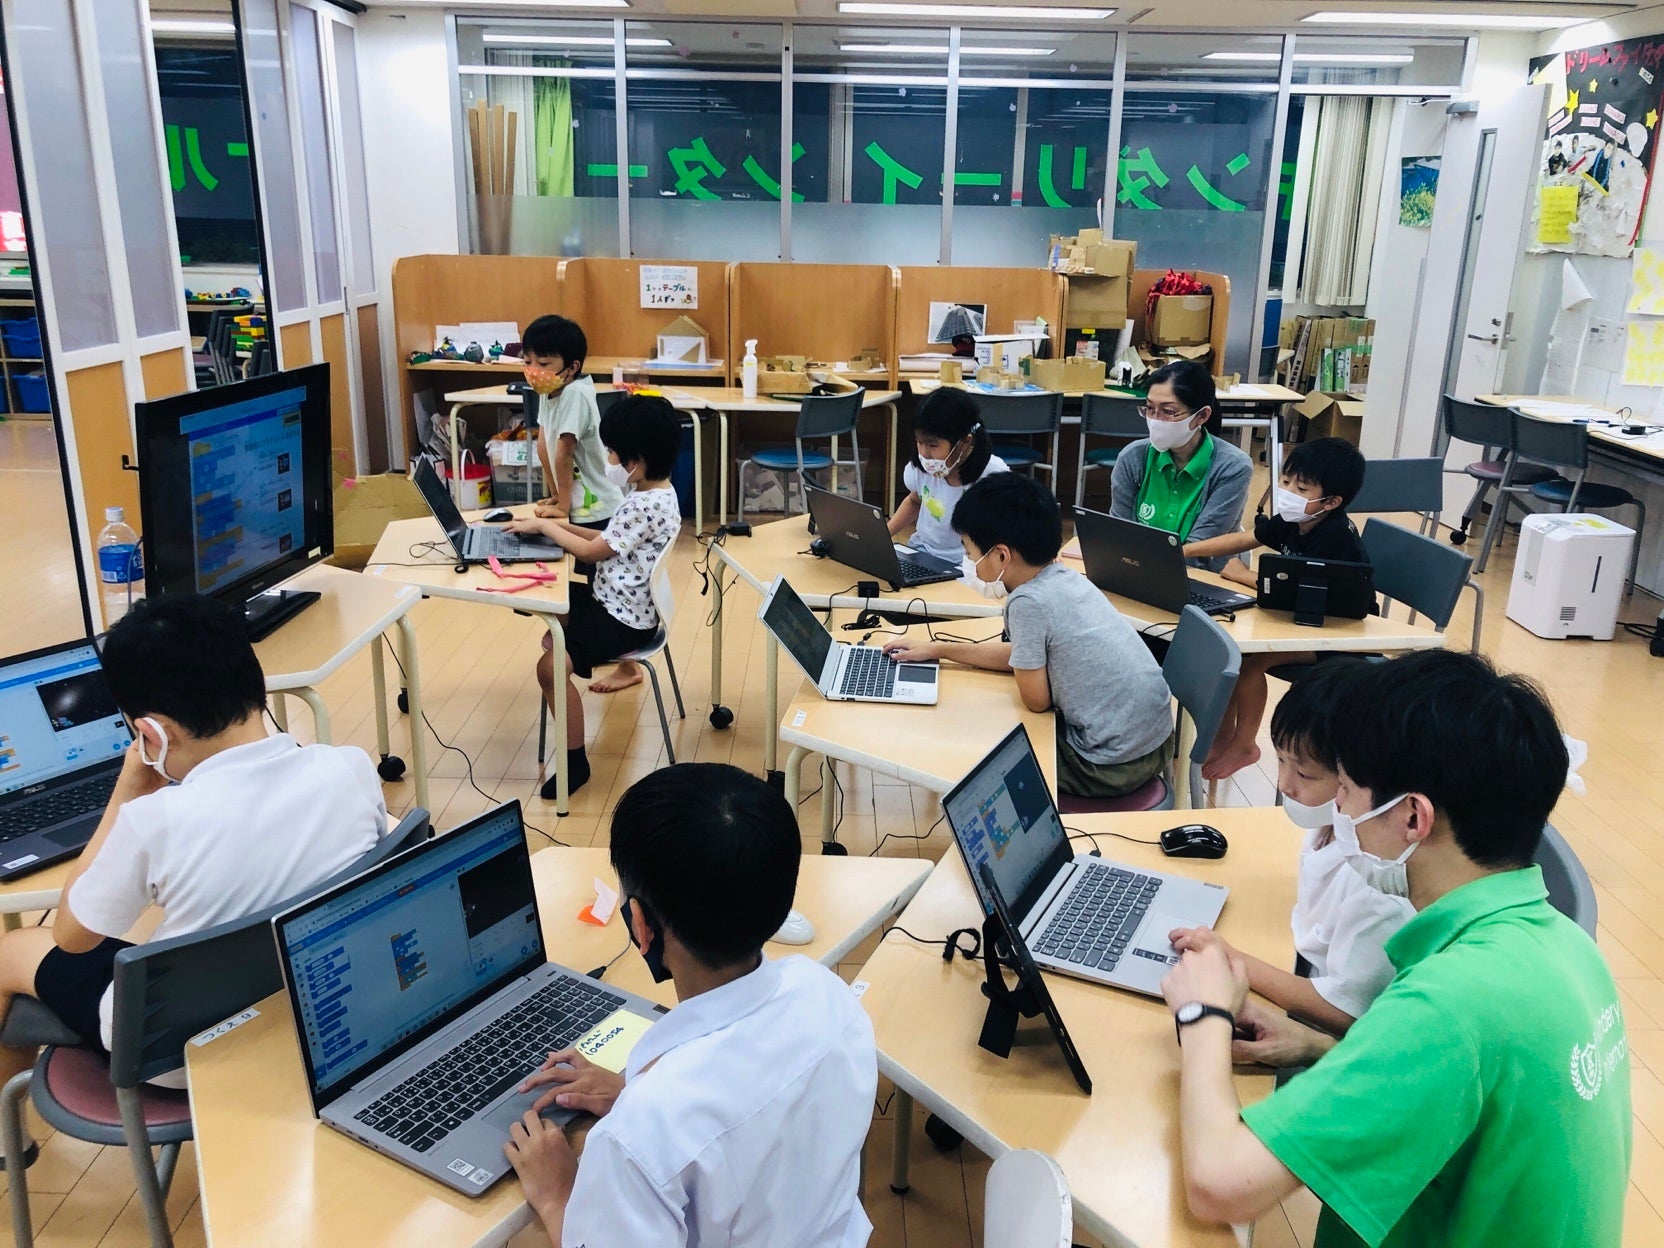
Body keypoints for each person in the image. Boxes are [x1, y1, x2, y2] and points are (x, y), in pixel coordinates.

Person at [1160, 650, 1631, 1246]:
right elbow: (1460, 1095)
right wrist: (1326, 1049)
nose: (1339, 809)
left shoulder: (1450, 1005)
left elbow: (1218, 1185)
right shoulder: (1568, 949)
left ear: (1413, 818)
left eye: (1348, 790)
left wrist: (1203, 1014)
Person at [0, 594, 387, 1112]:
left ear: (151, 734)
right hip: (328, 1006)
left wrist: (126, 793)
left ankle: (9, 1138)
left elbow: (72, 937)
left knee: (10, 950)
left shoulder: (154, 822)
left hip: (176, 1054)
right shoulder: (348, 767)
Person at [501, 763, 877, 1247]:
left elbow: (686, 1126)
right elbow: (747, 1112)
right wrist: (636, 1094)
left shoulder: (636, 1139)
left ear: (641, 925)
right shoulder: (829, 996)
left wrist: (558, 1195)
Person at [882, 473, 1174, 799]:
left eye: (968, 550)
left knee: (978, 738)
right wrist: (939, 649)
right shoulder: (1065, 577)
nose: (968, 561)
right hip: (1157, 741)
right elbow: (1022, 655)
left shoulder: (1027, 602)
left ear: (1001, 556)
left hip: (1107, 764)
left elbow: (1036, 701)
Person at [1170, 662, 1412, 1037]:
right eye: (1280, 760)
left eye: (1304, 774)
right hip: (1299, 966)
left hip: (1328, 1029)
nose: (1283, 784)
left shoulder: (1378, 883)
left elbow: (1346, 1011)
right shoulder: (1333, 828)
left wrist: (1232, 958)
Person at [505, 394, 683, 799]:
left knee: (549, 669)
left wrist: (548, 528)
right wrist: (554, 528)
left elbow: (590, 552)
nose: (609, 459)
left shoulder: (642, 505)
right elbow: (607, 539)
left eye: (614, 453)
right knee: (538, 594)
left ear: (637, 460)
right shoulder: (658, 495)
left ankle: (575, 764)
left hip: (622, 622)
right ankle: (565, 639)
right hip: (620, 606)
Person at [1186, 437, 1369, 779]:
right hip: (1301, 621)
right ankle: (1223, 736)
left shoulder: (1335, 537)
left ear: (1332, 501)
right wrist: (1184, 550)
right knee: (1227, 654)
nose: (1288, 492)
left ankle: (1245, 745)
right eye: (1286, 481)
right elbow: (1245, 539)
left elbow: (1295, 592)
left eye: (1301, 488)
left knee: (1250, 663)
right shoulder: (1294, 518)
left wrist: (1245, 576)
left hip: (1338, 634)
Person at [521, 314, 640, 694]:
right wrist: (557, 496)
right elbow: (543, 444)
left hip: (599, 506)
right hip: (576, 502)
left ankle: (626, 663)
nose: (534, 370)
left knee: (604, 586)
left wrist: (562, 504)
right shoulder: (551, 391)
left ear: (571, 367)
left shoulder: (575, 394)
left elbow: (564, 451)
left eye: (543, 363)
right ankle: (577, 635)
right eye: (528, 361)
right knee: (587, 580)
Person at [1109, 359, 1252, 572]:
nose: (1155, 420)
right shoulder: (1132, 457)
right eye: (1149, 408)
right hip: (1137, 570)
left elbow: (1200, 550)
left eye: (1168, 411)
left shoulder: (1233, 467)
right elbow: (1119, 532)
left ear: (1202, 416)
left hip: (1201, 576)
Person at [886, 388, 1008, 585]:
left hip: (967, 566)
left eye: (933, 445)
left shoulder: (993, 475)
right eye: (919, 442)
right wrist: (883, 536)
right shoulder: (922, 467)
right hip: (922, 552)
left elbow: (1007, 530)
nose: (924, 453)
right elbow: (915, 501)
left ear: (964, 442)